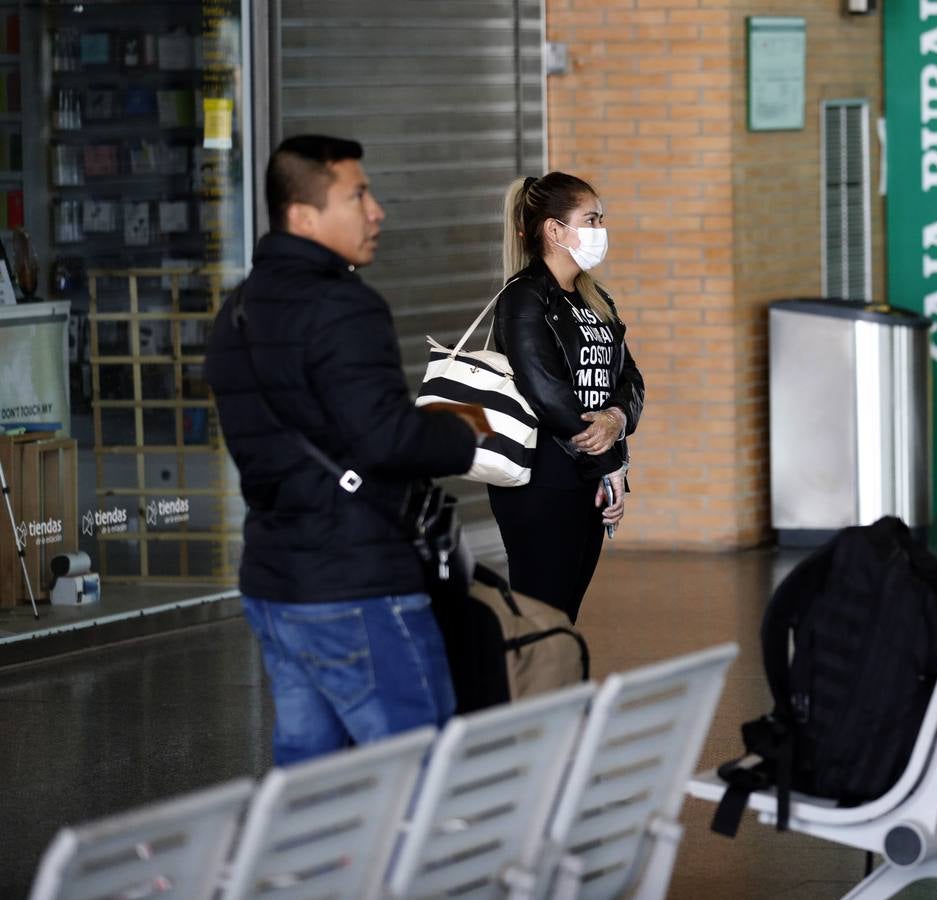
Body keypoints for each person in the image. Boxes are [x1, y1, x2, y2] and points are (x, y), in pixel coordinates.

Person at [206, 135, 490, 766]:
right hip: (359, 587)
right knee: (418, 775)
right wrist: (465, 428)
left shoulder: (237, 312)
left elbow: (288, 440)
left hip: (276, 584)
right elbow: (386, 438)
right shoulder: (343, 305)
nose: (376, 210)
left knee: (313, 786)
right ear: (303, 216)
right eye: (358, 195)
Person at [489, 172, 644, 623]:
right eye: (590, 219)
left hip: (587, 477)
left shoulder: (596, 298)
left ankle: (552, 692)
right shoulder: (524, 298)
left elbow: (628, 375)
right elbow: (546, 392)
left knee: (565, 614)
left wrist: (616, 418)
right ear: (555, 230)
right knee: (541, 615)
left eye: (600, 220)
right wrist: (607, 464)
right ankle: (528, 693)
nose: (600, 231)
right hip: (544, 480)